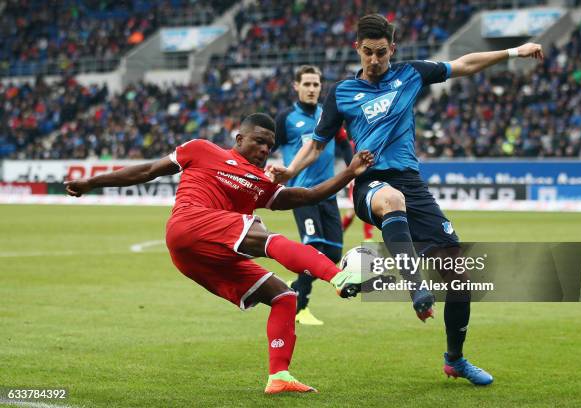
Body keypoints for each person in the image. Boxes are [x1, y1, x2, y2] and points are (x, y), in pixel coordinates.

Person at [268, 14, 544, 386]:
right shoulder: (342, 93)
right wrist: (288, 171)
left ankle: (455, 359)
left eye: (381, 52)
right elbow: (316, 145)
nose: (375, 60)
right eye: (368, 53)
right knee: (391, 199)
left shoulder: (410, 75)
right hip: (369, 181)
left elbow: (463, 65)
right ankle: (416, 287)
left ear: (392, 49)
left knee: (461, 277)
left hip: (413, 184)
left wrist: (513, 51)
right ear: (358, 49)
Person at [65, 113, 374, 394]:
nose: (265, 149)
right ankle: (338, 276)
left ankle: (279, 375)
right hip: (189, 224)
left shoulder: (260, 183)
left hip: (202, 257)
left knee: (283, 297)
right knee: (265, 237)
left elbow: (307, 195)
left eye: (270, 145)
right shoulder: (200, 149)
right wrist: (90, 182)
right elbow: (147, 170)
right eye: (258, 141)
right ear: (239, 139)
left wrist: (349, 172)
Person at [274, 65, 353, 326]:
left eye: (315, 85)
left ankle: (296, 284)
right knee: (313, 248)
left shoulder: (328, 115)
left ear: (321, 87)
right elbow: (268, 145)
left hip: (327, 193)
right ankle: (300, 305)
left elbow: (343, 144)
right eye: (306, 84)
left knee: (332, 254)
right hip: (300, 193)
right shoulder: (286, 118)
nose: (311, 89)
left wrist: (355, 170)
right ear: (296, 86)